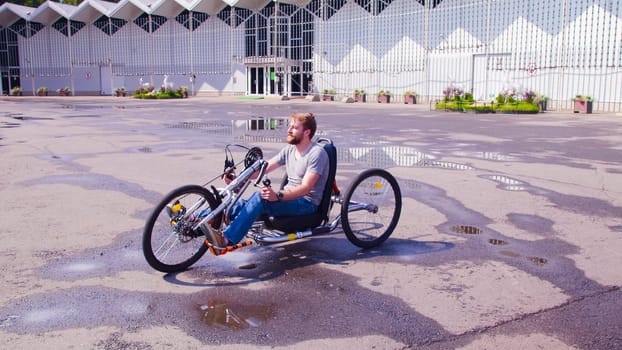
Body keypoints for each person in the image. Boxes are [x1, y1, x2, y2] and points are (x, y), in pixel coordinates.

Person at [202, 112, 330, 248]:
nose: (289, 130)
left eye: (294, 128)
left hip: (307, 204)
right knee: (239, 204)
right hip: (289, 198)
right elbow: (264, 168)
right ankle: (194, 218)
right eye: (290, 126)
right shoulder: (290, 149)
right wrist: (238, 178)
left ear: (306, 132)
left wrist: (278, 196)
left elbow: (306, 188)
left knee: (260, 197)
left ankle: (227, 239)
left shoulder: (317, 154)